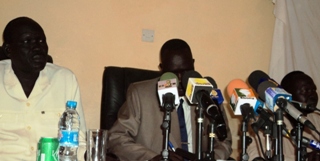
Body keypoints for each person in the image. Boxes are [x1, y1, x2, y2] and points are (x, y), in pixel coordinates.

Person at [108, 38, 233, 161]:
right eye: (173, 73)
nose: (180, 79)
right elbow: (116, 137)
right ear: (162, 69)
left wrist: (211, 158)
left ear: (193, 64)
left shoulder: (206, 94)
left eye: (185, 71)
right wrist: (152, 158)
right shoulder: (140, 95)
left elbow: (224, 141)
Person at [0, 17, 86, 160]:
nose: (37, 48)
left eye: (41, 41)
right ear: (9, 50)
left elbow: (79, 140)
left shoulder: (65, 79)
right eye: (27, 42)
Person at [247, 71, 319, 161]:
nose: (313, 95)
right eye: (306, 90)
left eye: (314, 90)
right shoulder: (264, 120)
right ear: (287, 94)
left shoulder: (317, 119)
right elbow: (255, 156)